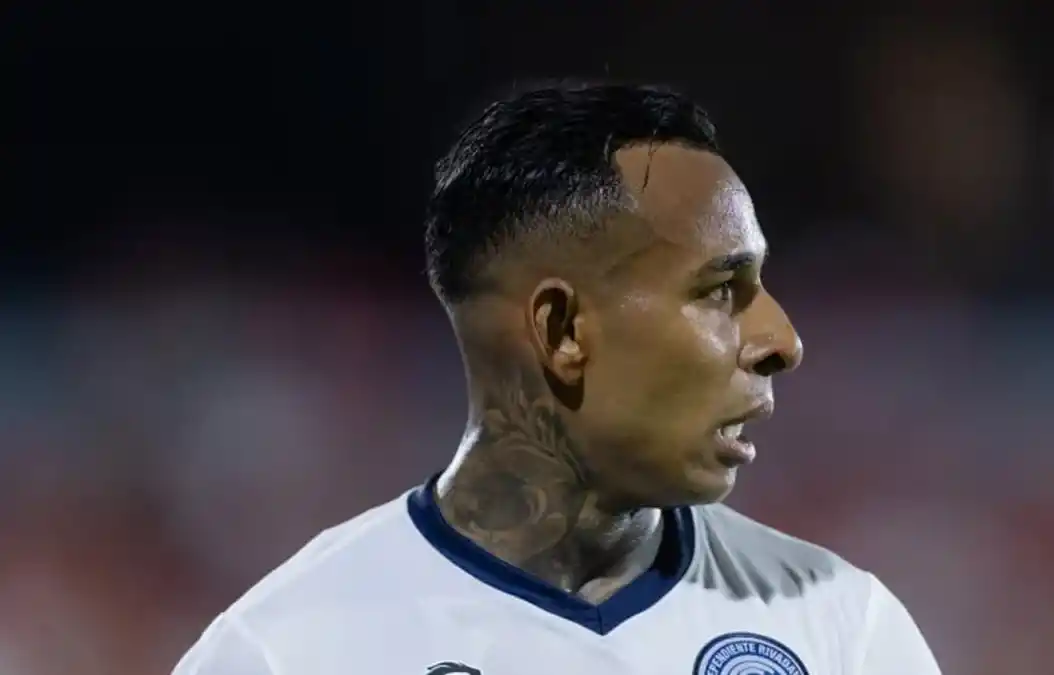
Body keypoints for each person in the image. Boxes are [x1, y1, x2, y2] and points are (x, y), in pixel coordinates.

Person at [172, 82, 942, 675]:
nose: (782, 341)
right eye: (719, 290)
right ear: (562, 329)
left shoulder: (842, 629)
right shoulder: (285, 653)